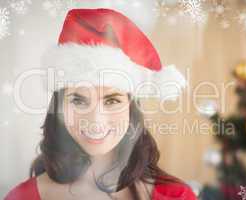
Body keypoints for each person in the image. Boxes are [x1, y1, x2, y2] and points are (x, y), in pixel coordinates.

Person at [4, 8, 197, 200]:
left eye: (112, 100)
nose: (95, 120)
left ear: (132, 109)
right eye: (78, 100)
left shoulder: (177, 196)